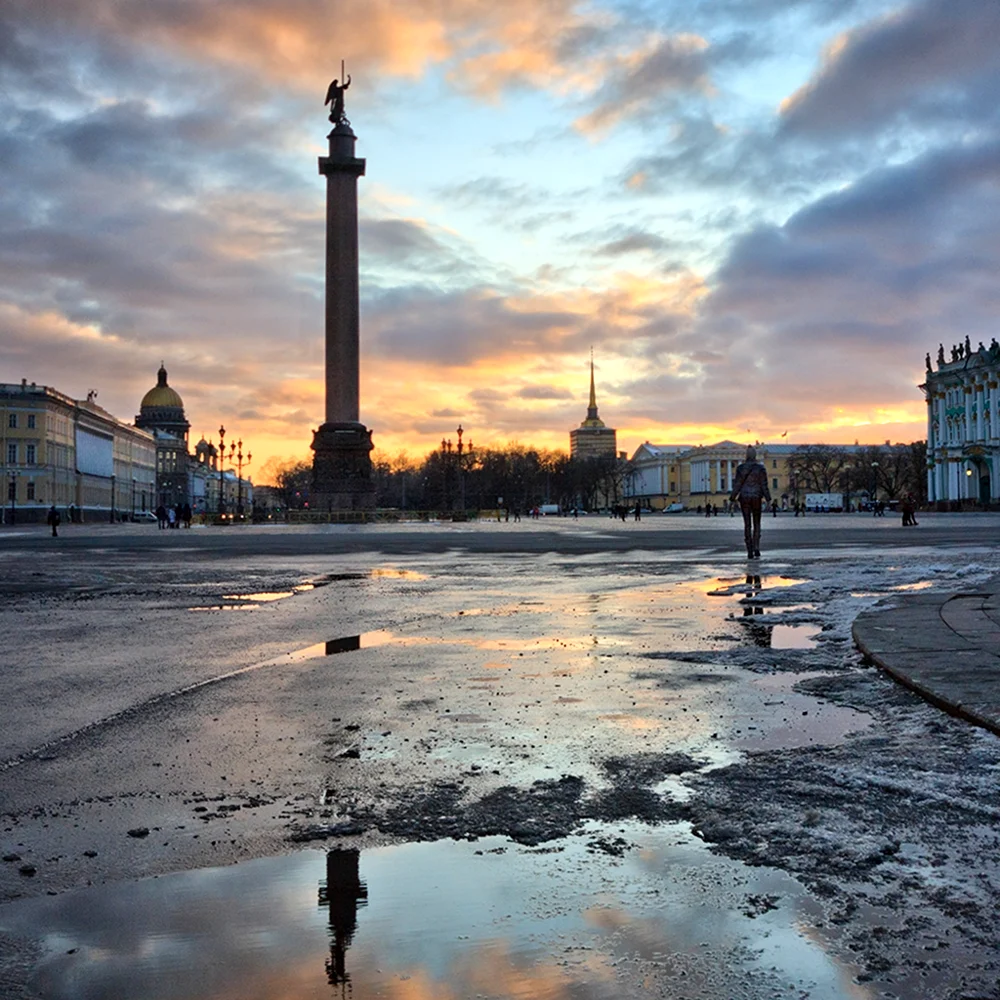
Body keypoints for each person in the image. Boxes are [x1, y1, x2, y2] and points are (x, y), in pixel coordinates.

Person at [729, 445, 771, 560]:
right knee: (757, 523)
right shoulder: (760, 468)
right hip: (756, 497)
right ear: (755, 455)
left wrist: (732, 498)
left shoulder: (740, 468)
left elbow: (737, 485)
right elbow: (764, 485)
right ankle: (756, 547)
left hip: (744, 498)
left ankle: (749, 551)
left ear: (746, 455)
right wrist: (768, 499)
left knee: (747, 524)